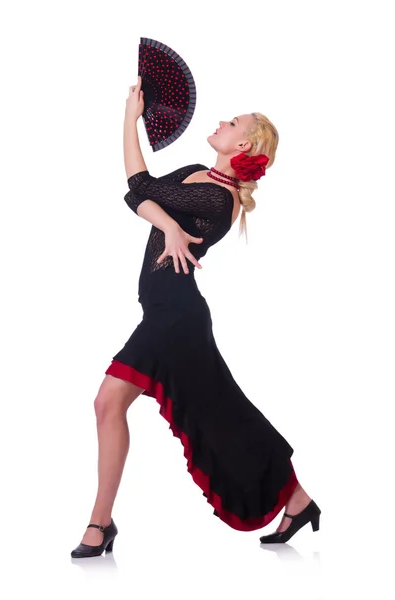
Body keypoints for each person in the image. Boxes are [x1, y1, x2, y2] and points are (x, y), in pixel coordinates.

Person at [71, 77, 321, 558]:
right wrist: (167, 224)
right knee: (219, 411)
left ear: (242, 143)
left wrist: (161, 213)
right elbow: (137, 197)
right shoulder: (192, 173)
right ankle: (298, 499)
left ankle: (99, 525)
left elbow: (140, 189)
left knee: (109, 403)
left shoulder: (218, 201)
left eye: (231, 122)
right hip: (166, 311)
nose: (221, 122)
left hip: (176, 316)